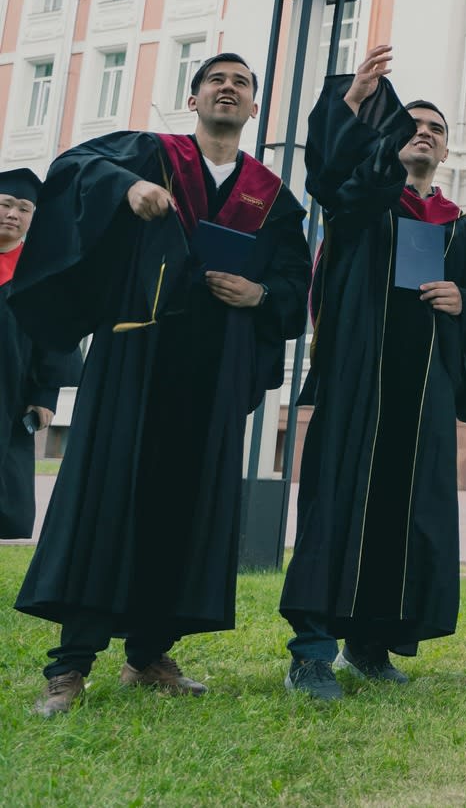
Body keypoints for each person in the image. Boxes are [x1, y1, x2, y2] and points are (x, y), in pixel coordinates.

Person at [16, 54, 310, 718]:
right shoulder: (149, 153)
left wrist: (260, 293)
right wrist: (125, 189)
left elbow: (296, 285)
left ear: (255, 108)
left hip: (214, 372)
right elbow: (72, 173)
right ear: (194, 96)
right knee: (104, 496)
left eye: (242, 82)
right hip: (136, 355)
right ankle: (70, 666)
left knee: (183, 510)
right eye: (217, 79)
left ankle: (148, 653)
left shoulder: (271, 193)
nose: (229, 88)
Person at [280, 47, 466, 701]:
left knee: (405, 511)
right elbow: (331, 173)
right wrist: (351, 104)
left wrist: (462, 301)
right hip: (358, 381)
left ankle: (370, 644)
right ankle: (311, 650)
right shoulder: (363, 203)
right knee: (338, 502)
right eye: (411, 124)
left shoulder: (465, 226)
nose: (422, 131)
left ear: (447, 150)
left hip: (423, 391)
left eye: (434, 127)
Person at [0, 170, 80, 541]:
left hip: (9, 398)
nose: (13, 214)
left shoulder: (40, 273)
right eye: (5, 204)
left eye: (24, 208)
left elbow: (56, 339)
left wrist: (45, 396)